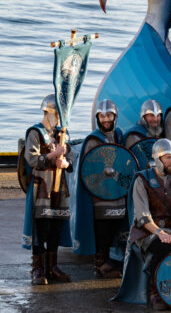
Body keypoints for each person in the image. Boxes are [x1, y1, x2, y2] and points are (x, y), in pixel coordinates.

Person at [116, 139, 171, 307]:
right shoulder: (142, 179)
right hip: (147, 232)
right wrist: (159, 232)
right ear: (157, 159)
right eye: (167, 158)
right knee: (161, 245)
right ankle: (155, 290)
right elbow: (143, 217)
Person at [22, 94, 73, 285]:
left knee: (56, 228)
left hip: (59, 186)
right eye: (57, 115)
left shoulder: (63, 133)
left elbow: (71, 158)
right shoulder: (35, 132)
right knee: (41, 228)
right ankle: (38, 268)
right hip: (42, 186)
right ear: (48, 112)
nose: (60, 119)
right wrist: (54, 154)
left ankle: (52, 267)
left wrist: (65, 162)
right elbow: (33, 159)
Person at [73, 99, 126, 278]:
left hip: (117, 192)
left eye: (109, 115)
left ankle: (111, 262)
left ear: (115, 116)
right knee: (102, 230)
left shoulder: (118, 135)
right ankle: (101, 264)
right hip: (101, 194)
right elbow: (89, 171)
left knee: (114, 229)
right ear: (98, 117)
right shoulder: (93, 140)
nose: (105, 119)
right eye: (102, 116)